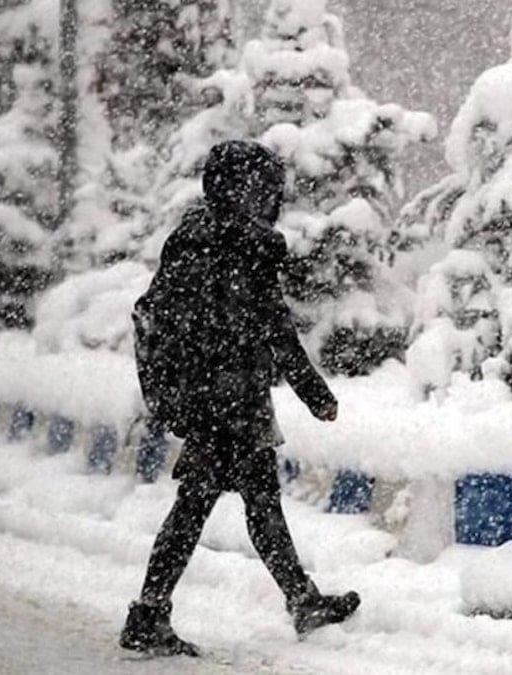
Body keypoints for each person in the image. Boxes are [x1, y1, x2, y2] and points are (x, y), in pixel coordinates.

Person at [121, 140, 360, 657]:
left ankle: (295, 599)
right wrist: (315, 393)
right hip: (232, 401)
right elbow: (276, 328)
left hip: (205, 397)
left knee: (232, 501)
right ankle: (151, 613)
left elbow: (158, 315)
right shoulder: (248, 247)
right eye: (264, 188)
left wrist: (172, 392)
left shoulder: (189, 238)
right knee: (222, 505)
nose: (270, 198)